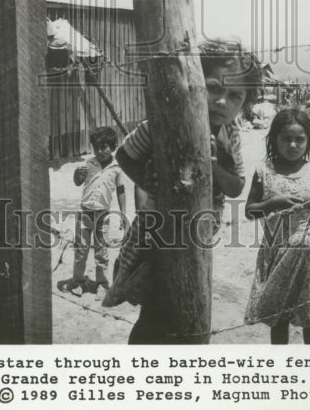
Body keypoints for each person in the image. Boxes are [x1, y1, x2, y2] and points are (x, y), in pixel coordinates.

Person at [103, 40, 263, 344]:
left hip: (199, 229)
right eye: (214, 88)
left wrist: (213, 165)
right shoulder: (163, 121)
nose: (222, 102)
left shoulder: (231, 135)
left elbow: (237, 186)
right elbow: (125, 156)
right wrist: (154, 188)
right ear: (193, 83)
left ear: (244, 103)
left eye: (235, 96)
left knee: (182, 297)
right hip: (158, 227)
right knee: (153, 296)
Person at [244, 109, 310, 344]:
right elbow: (250, 211)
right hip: (276, 251)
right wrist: (272, 203)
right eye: (286, 138)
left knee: (309, 314)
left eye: (299, 139)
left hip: (309, 252)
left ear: (308, 141)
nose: (293, 145)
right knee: (279, 315)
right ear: (274, 139)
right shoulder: (264, 172)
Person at [58, 127, 127, 299]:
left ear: (113, 146)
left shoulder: (117, 168)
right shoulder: (88, 164)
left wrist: (123, 213)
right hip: (85, 213)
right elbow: (77, 182)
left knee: (101, 251)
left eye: (104, 147)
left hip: (103, 215)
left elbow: (121, 191)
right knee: (81, 250)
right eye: (96, 148)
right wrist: (77, 175)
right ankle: (78, 281)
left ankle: (102, 284)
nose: (100, 151)